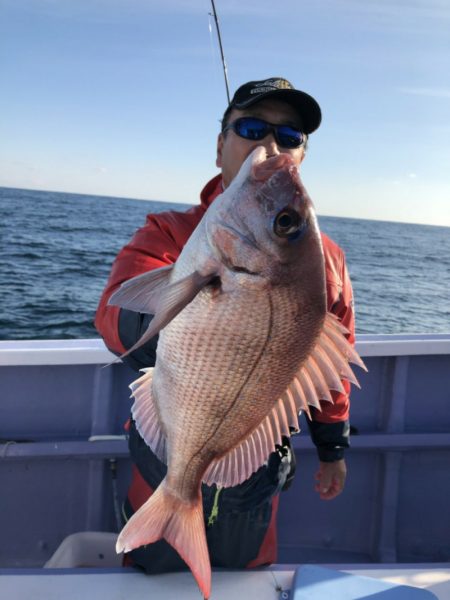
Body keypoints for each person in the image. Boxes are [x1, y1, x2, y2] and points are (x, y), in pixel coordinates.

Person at [95, 77, 354, 572]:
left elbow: (334, 368)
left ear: (301, 156)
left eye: (291, 136)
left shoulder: (328, 261)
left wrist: (332, 448)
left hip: (254, 476)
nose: (270, 144)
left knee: (243, 579)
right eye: (252, 128)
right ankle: (172, 512)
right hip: (165, 459)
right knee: (152, 579)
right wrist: (190, 316)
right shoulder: (169, 232)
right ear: (220, 148)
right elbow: (111, 316)